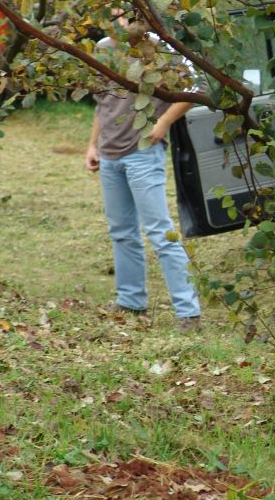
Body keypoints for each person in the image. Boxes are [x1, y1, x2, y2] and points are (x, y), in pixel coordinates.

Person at [85, 32, 202, 330]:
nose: (120, 16)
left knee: (160, 232)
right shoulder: (103, 48)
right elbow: (104, 104)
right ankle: (130, 302)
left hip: (142, 154)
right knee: (122, 232)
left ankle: (188, 313)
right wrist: (93, 145)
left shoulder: (157, 47)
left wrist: (163, 122)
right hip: (110, 156)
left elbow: (193, 87)